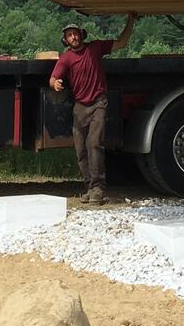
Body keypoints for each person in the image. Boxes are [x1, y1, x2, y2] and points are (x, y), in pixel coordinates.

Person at [48, 14, 137, 204]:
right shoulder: (66, 58)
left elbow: (121, 43)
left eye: (76, 33)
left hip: (98, 102)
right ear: (65, 40)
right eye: (69, 35)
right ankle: (89, 187)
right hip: (80, 106)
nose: (73, 37)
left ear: (82, 34)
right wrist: (55, 83)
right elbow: (53, 78)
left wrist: (131, 20)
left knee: (94, 144)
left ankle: (98, 188)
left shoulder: (96, 47)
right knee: (81, 150)